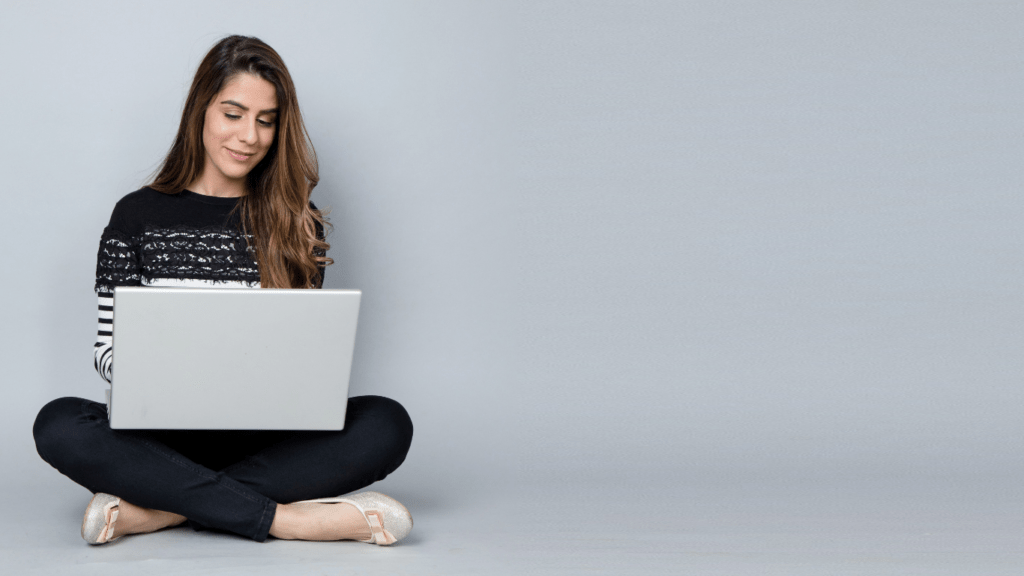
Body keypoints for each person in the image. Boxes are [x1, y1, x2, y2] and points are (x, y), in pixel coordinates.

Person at [31, 35, 414, 546]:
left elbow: (304, 358)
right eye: (233, 114)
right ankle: (287, 520)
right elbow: (106, 350)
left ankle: (159, 509)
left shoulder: (298, 223)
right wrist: (157, 371)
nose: (249, 136)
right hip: (157, 436)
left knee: (388, 423)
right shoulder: (135, 215)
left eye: (266, 119)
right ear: (201, 111)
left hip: (267, 439)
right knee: (57, 424)